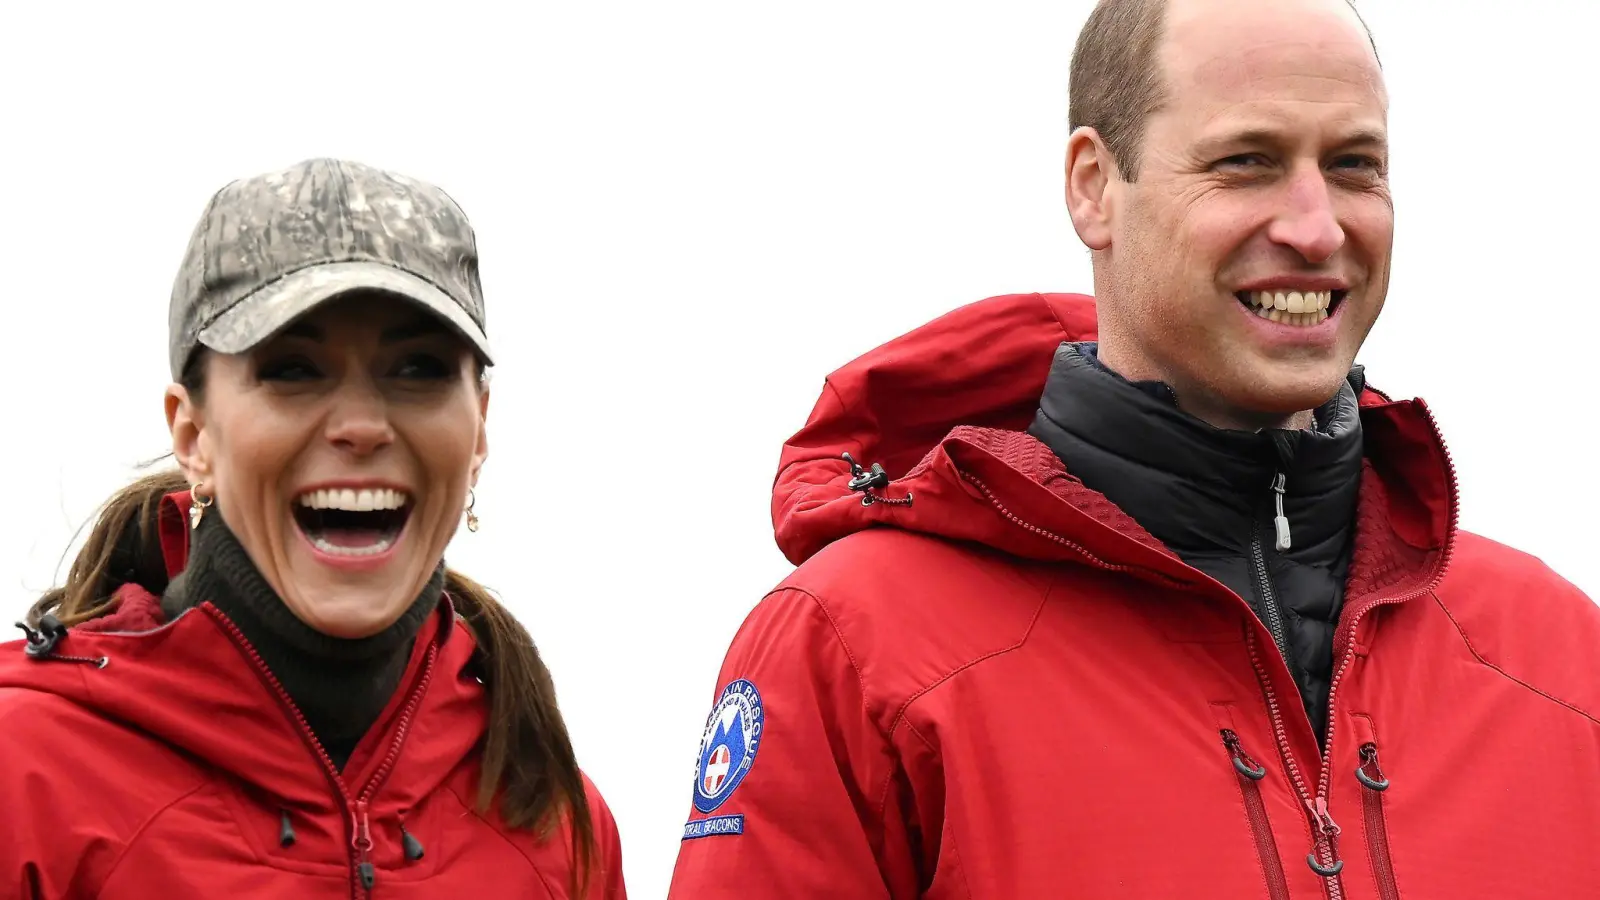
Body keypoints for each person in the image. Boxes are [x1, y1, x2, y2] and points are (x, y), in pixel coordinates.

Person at [667, 0, 1600, 897]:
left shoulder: (1561, 656)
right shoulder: (858, 647)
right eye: (1246, 160)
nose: (1317, 227)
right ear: (1093, 187)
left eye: (1355, 165)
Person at [0, 158, 626, 898]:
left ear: (480, 426)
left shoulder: (549, 816)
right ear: (193, 432)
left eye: (419, 368)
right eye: (293, 371)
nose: (361, 426)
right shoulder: (24, 776)